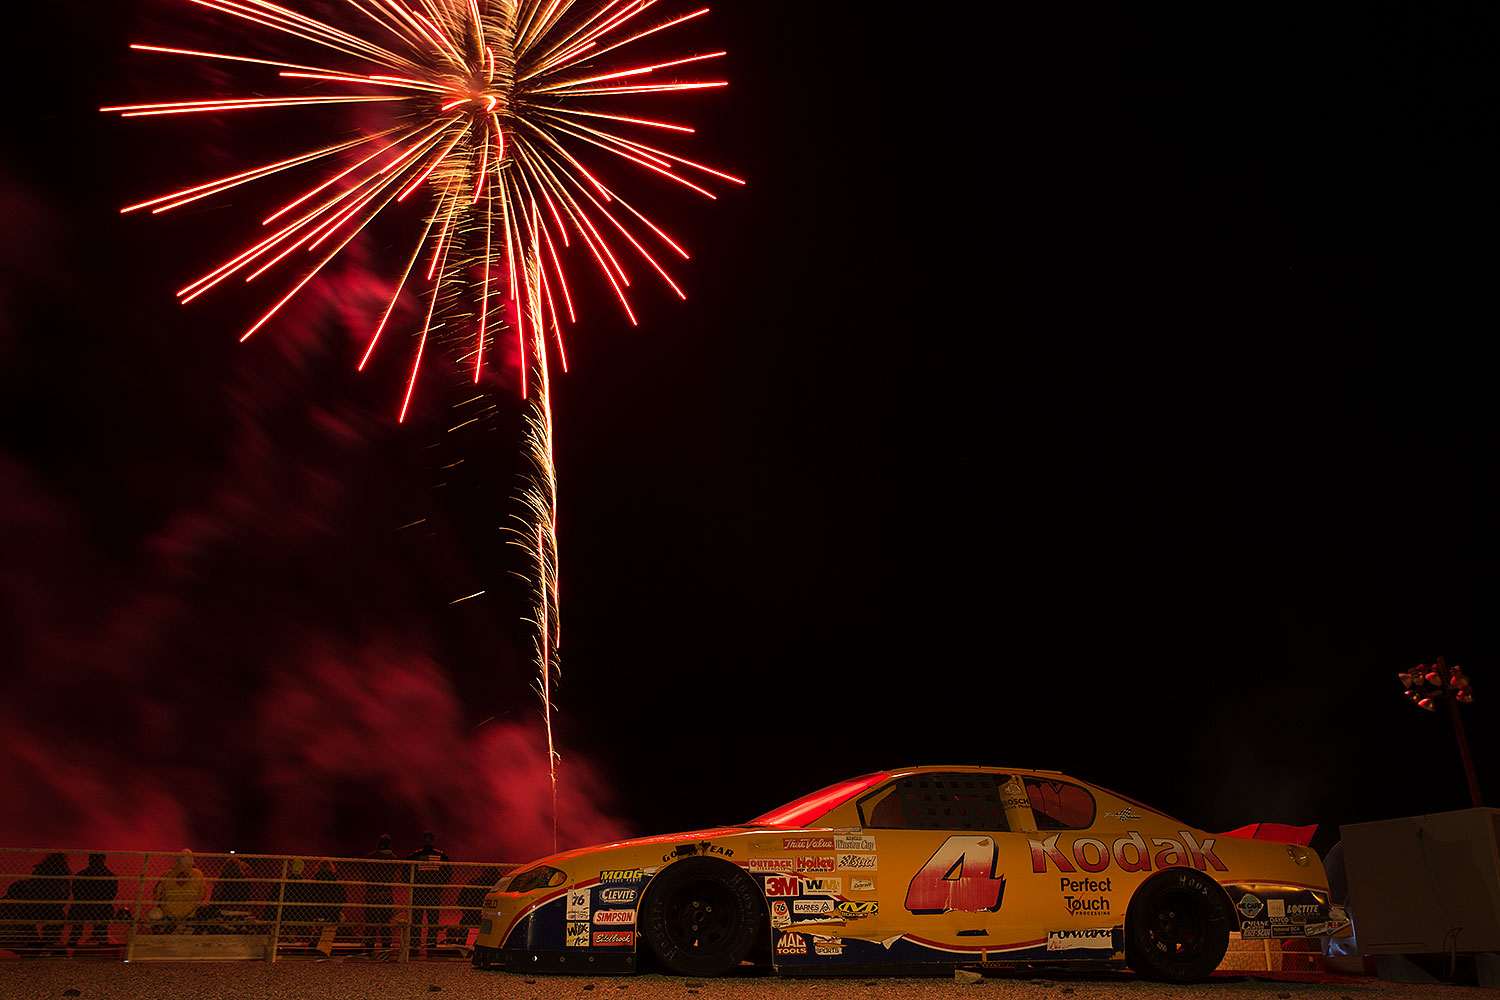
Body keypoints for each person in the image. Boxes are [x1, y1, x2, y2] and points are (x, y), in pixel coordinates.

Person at [405, 831, 451, 951]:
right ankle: (431, 944)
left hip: (418, 892)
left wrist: (413, 884)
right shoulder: (441, 856)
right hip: (433, 893)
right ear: (433, 840)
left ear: (422, 840)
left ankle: (414, 944)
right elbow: (448, 873)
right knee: (433, 920)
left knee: (416, 919)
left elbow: (405, 873)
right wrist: (439, 886)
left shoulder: (415, 856)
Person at [69, 853, 118, 945]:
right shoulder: (109, 876)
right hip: (101, 907)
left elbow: (75, 891)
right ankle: (101, 940)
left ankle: (74, 939)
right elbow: (112, 894)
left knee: (77, 925)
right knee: (102, 924)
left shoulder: (81, 875)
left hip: (82, 906)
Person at [153, 850, 208, 929]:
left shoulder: (167, 874)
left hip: (168, 913)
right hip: (191, 913)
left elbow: (156, 895)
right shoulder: (198, 874)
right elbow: (203, 895)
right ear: (192, 860)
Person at [363, 834, 399, 953]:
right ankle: (385, 947)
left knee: (370, 922)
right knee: (385, 922)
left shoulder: (370, 857)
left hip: (372, 894)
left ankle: (369, 947)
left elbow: (364, 873)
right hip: (386, 895)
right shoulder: (393, 859)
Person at [29, 853, 71, 952]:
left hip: (39, 903)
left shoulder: (39, 871)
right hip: (51, 904)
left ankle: (41, 941)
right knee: (58, 918)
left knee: (57, 918)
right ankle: (49, 940)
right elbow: (65, 892)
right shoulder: (63, 873)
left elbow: (32, 888)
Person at [452, 866, 501, 947]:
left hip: (474, 914)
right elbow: (461, 898)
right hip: (487, 915)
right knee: (492, 924)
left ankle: (463, 943)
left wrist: (466, 911)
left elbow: (461, 898)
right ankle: (475, 944)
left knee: (465, 922)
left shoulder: (476, 883)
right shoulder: (497, 886)